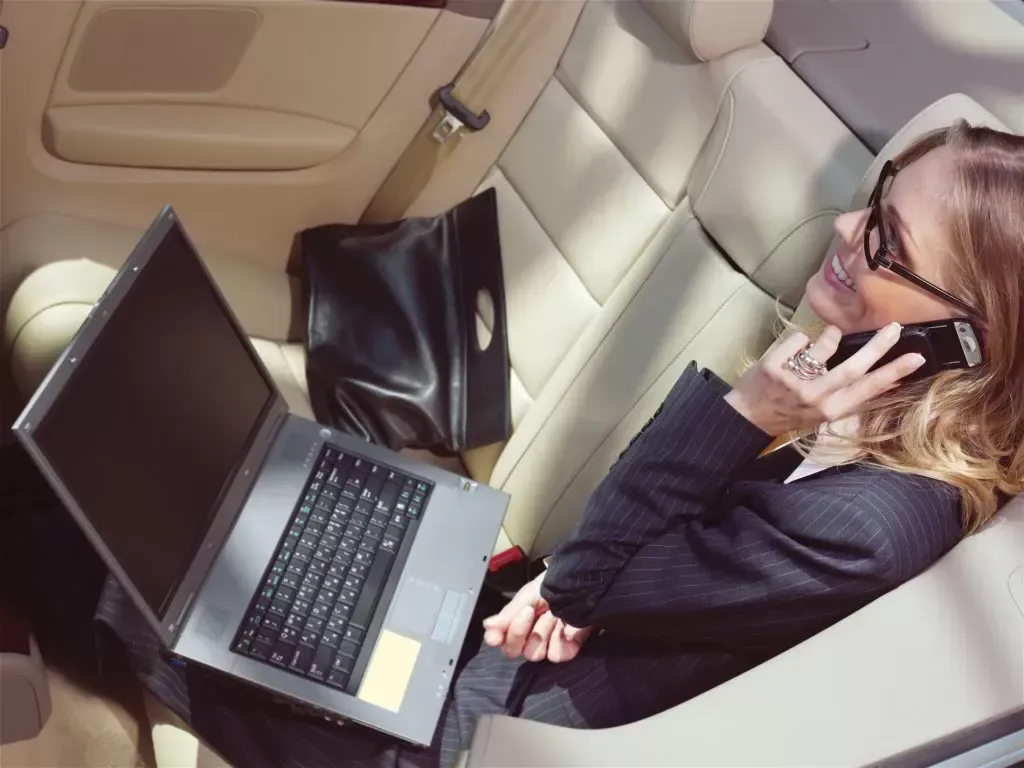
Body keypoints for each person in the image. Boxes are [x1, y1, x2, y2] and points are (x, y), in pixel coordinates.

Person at [4, 121, 1024, 768]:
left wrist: (746, 414)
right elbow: (613, 583)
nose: (844, 228)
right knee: (138, 474)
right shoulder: (859, 408)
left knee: (119, 548)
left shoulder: (875, 520)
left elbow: (599, 580)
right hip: (492, 637)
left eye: (884, 243)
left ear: (966, 341)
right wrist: (554, 591)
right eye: (874, 195)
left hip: (461, 731)